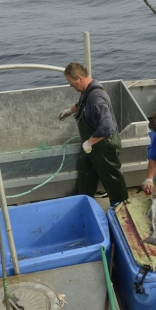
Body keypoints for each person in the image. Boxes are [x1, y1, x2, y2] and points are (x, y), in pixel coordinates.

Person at [58, 62, 129, 205]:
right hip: (93, 146)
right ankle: (86, 201)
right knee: (86, 171)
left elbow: (106, 126)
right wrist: (70, 110)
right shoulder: (87, 90)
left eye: (71, 83)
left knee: (111, 177)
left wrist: (89, 143)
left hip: (104, 144)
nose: (71, 86)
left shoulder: (96, 98)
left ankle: (121, 207)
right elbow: (81, 104)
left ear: (80, 78)